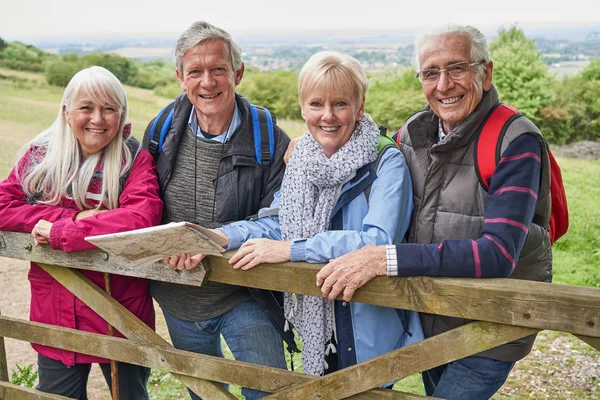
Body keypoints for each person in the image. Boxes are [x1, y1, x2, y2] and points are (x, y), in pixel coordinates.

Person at [315, 24, 553, 399]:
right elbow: (362, 158)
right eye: (430, 73)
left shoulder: (515, 140)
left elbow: (498, 254)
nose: (443, 85)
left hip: (490, 326)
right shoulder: (413, 132)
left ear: (485, 73)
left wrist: (386, 258)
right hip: (428, 318)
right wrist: (309, 146)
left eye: (457, 68)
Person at [175, 50, 424, 377]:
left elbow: (376, 241)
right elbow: (279, 221)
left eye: (341, 104)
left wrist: (292, 250)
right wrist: (220, 236)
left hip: (369, 328)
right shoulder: (302, 160)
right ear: (303, 107)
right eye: (316, 104)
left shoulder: (385, 161)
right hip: (319, 322)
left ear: (360, 106)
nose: (328, 116)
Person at [142, 21, 293, 400]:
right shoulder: (161, 129)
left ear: (237, 73)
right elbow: (141, 202)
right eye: (195, 71)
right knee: (205, 394)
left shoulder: (267, 136)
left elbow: (283, 217)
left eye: (218, 69)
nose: (207, 81)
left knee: (269, 391)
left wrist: (215, 238)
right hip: (179, 295)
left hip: (246, 294)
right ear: (181, 77)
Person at [0, 66, 163, 399]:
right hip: (56, 309)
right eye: (87, 107)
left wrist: (63, 231)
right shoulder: (40, 158)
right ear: (66, 111)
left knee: (130, 395)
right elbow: (3, 203)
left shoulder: (134, 160)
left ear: (122, 114)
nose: (98, 119)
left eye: (109, 109)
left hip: (121, 311)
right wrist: (69, 216)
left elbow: (141, 217)